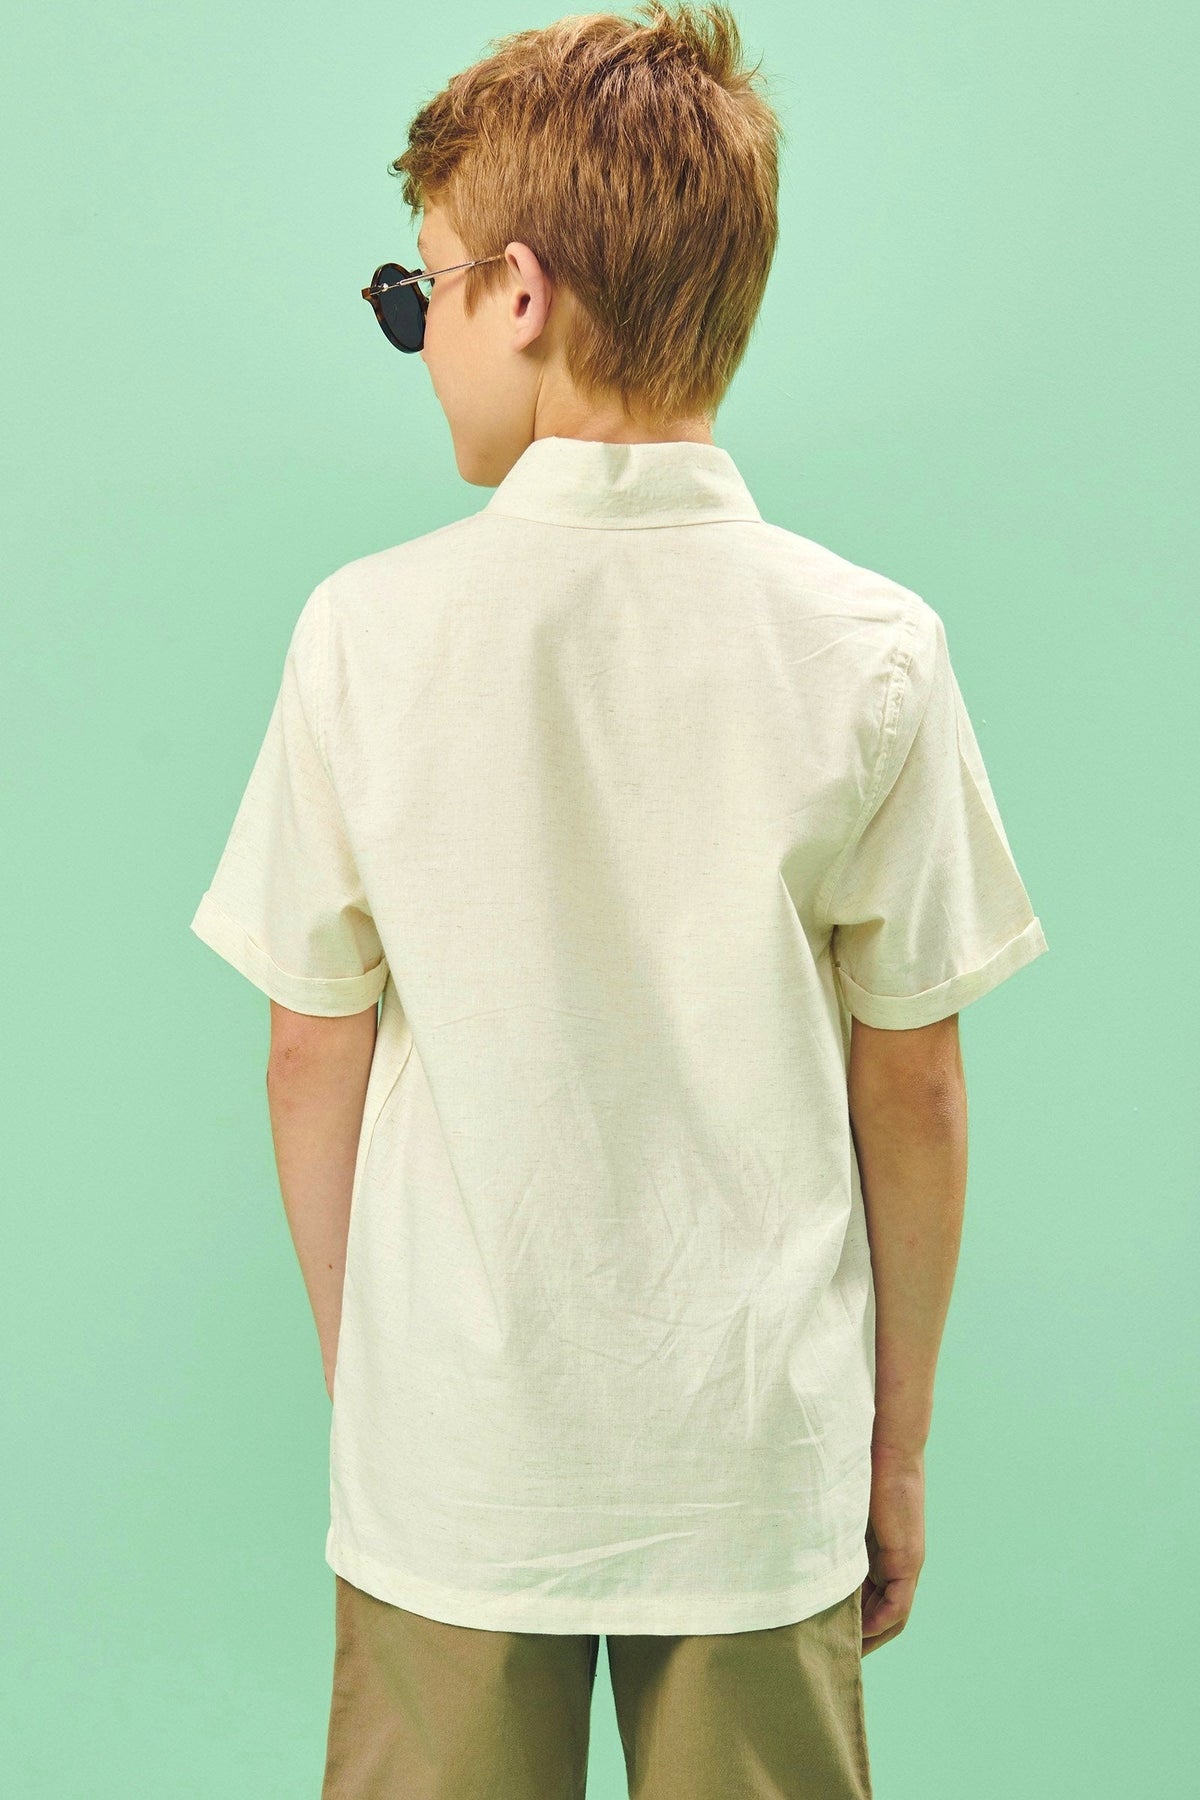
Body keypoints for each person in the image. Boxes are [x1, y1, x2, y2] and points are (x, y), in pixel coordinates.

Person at [189, 5, 1049, 1796]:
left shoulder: (365, 635)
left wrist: (381, 1396)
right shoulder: (872, 649)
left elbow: (306, 1050)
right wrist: (892, 1455)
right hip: (754, 1461)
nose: (417, 338)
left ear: (518, 294)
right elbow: (914, 1085)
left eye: (414, 294)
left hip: (457, 1457)